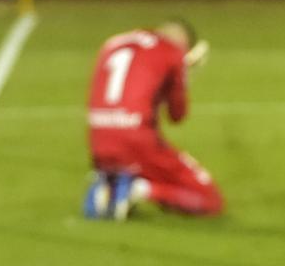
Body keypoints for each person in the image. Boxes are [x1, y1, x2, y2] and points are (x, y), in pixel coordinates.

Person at [84, 19, 220, 220]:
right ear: (184, 43)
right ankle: (137, 190)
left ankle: (111, 181)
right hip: (136, 141)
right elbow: (177, 115)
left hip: (99, 142)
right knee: (210, 200)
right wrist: (183, 74)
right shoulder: (172, 52)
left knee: (141, 154)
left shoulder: (113, 43)